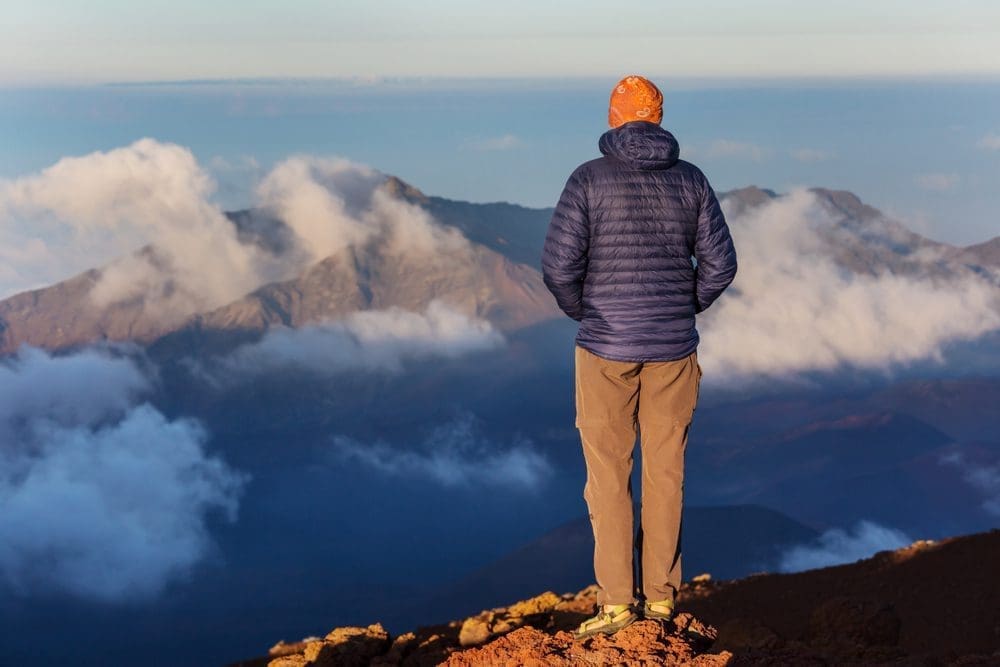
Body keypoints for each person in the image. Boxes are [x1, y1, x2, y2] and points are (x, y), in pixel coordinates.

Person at [541, 75, 737, 640]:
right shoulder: (691, 180)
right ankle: (661, 601)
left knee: (607, 477)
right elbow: (720, 265)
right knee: (666, 475)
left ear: (613, 116)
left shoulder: (587, 179)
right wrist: (683, 306)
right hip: (674, 351)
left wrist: (588, 313)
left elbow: (558, 266)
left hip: (605, 349)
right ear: (660, 115)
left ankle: (616, 605)